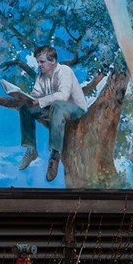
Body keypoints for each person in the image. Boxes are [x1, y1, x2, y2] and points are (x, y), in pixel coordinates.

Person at [16, 46, 89, 182]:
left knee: (57, 106)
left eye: (42, 62)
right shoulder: (41, 75)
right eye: (38, 62)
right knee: (25, 109)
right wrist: (27, 98)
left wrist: (40, 101)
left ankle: (54, 156)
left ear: (53, 60)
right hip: (54, 107)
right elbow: (36, 94)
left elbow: (63, 95)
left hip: (75, 109)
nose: (39, 65)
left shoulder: (64, 71)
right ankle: (31, 150)